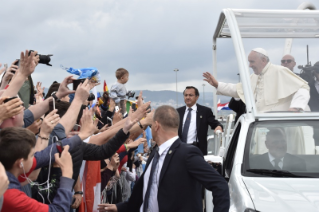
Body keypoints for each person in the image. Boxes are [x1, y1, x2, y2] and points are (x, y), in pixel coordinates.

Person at [98, 105, 230, 212]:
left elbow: (220, 185)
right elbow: (146, 193)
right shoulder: (156, 153)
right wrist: (119, 207)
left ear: (156, 126)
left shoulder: (187, 154)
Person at [203, 48, 310, 112]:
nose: (250, 65)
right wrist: (217, 85)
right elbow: (238, 89)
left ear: (263, 60)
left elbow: (303, 88)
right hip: (263, 124)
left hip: (283, 123)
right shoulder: (254, 76)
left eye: (252, 62)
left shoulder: (280, 71)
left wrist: (296, 107)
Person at [0, 127, 81, 212]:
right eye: (32, 155)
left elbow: (44, 156)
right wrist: (67, 174)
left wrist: (81, 136)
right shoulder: (11, 195)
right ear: (20, 163)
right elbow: (59, 210)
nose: (34, 157)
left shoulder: (9, 167)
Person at [177, 86, 223, 155]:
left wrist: (219, 126)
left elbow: (214, 123)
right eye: (186, 95)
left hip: (197, 149)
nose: (188, 97)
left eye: (191, 95)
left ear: (197, 97)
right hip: (179, 148)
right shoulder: (178, 112)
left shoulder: (205, 111)